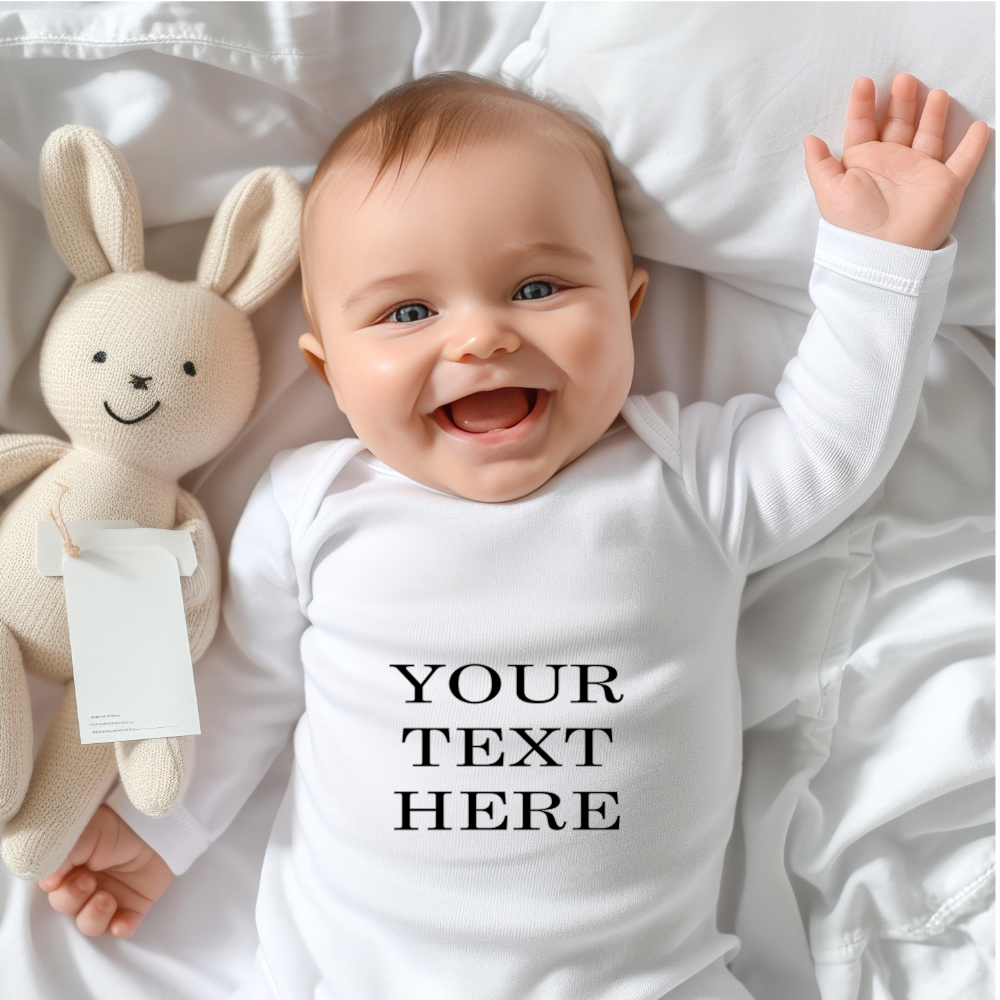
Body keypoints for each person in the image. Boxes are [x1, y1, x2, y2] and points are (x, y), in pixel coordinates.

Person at [39, 72, 987, 999]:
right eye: (408, 312)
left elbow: (833, 443)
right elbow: (244, 684)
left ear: (629, 307)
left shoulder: (684, 476)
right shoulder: (314, 504)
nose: (479, 337)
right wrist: (161, 834)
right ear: (328, 372)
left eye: (537, 287)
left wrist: (880, 263)